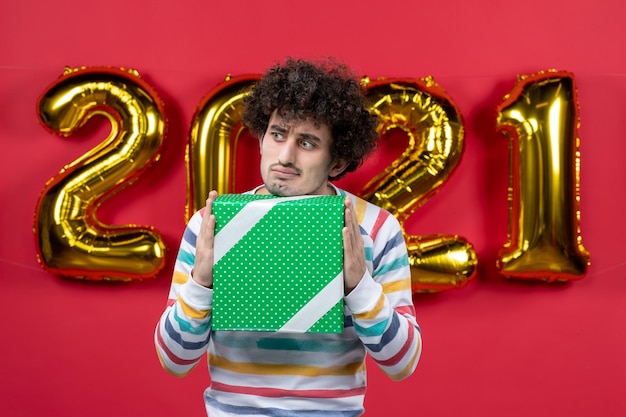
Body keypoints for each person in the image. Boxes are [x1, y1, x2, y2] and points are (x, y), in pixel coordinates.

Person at [155, 57, 422, 417]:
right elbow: (174, 360)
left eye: (307, 143)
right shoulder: (210, 225)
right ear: (262, 137)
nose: (285, 155)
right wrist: (202, 282)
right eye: (278, 134)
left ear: (338, 161)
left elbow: (402, 364)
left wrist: (359, 287)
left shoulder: (376, 228)